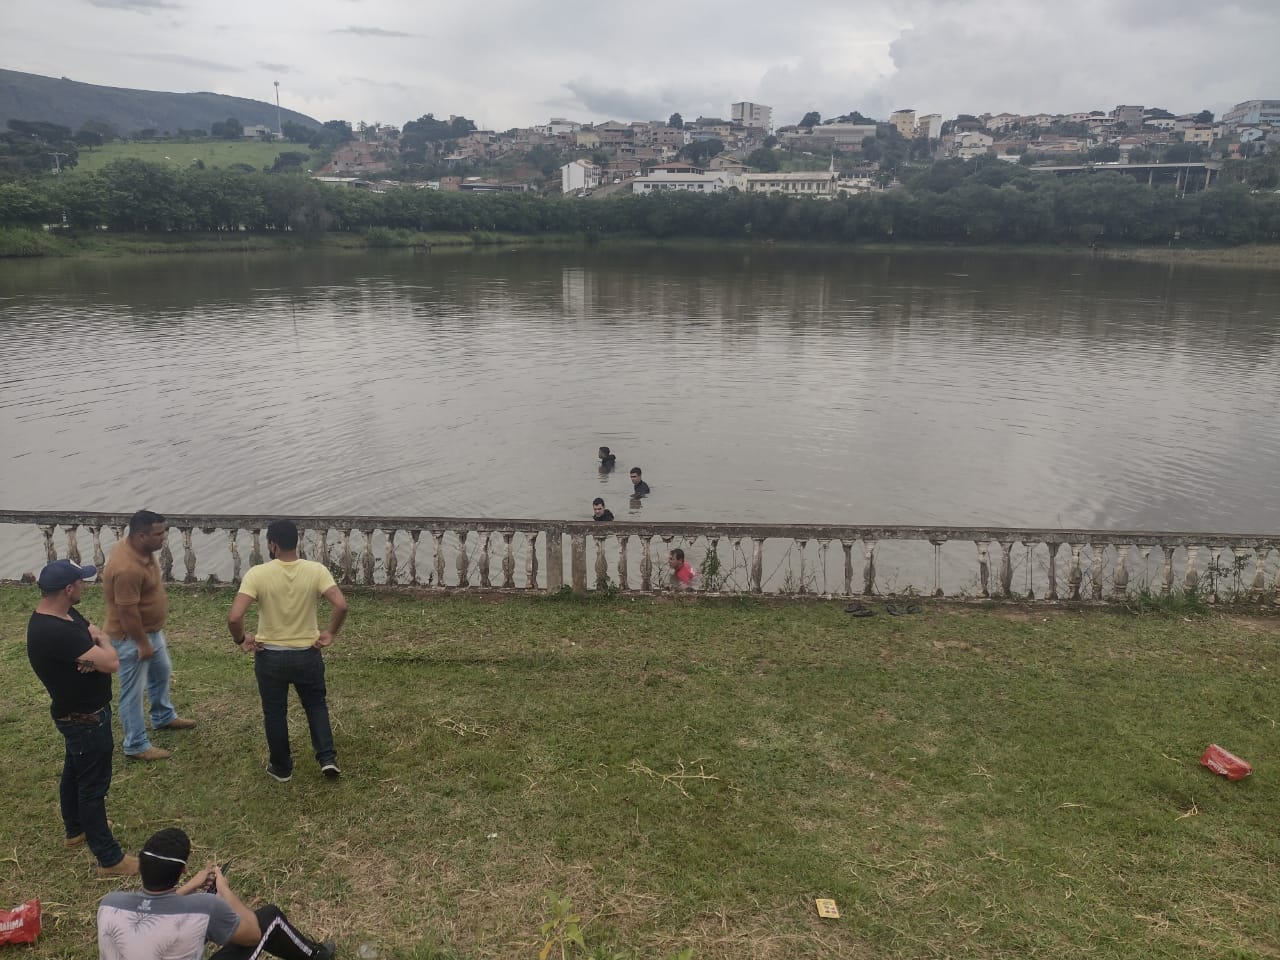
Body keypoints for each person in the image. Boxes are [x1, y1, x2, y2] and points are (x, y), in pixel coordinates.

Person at [26, 559, 138, 879]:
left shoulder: (64, 613)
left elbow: (95, 637)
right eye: (81, 582)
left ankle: (75, 830)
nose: (85, 585)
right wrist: (99, 650)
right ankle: (109, 859)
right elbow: (112, 660)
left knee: (74, 771)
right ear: (68, 589)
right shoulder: (55, 630)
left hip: (76, 714)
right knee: (92, 787)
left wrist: (95, 647)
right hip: (85, 718)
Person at [97, 827, 335, 960]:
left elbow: (155, 909)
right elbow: (252, 933)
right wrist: (225, 891)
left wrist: (190, 886)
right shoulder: (204, 909)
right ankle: (317, 957)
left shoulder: (109, 904)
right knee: (269, 918)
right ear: (182, 869)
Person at [228, 519, 348, 782]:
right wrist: (330, 633)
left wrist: (242, 639)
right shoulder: (316, 570)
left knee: (275, 711)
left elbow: (235, 617)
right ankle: (327, 758)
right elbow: (341, 605)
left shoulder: (257, 574)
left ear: (272, 544)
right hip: (307, 653)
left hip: (270, 655)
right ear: (297, 542)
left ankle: (282, 767)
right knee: (315, 705)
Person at [102, 509, 195, 762]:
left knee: (161, 672)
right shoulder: (127, 568)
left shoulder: (138, 548)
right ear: (141, 536)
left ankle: (163, 716)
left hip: (151, 632)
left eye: (164, 531)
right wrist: (142, 644)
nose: (163, 538)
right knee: (132, 691)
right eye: (158, 534)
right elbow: (127, 611)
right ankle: (135, 744)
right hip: (131, 638)